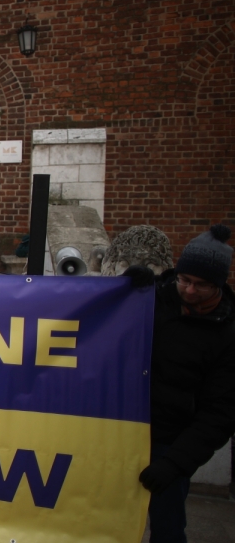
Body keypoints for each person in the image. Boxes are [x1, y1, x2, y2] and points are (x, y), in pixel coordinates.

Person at [135, 224, 235, 542]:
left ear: (220, 284)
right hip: (123, 431)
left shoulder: (227, 333)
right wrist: (124, 288)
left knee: (167, 528)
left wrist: (176, 463)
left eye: (202, 285)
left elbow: (221, 412)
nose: (190, 291)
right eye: (185, 280)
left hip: (172, 444)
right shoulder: (154, 298)